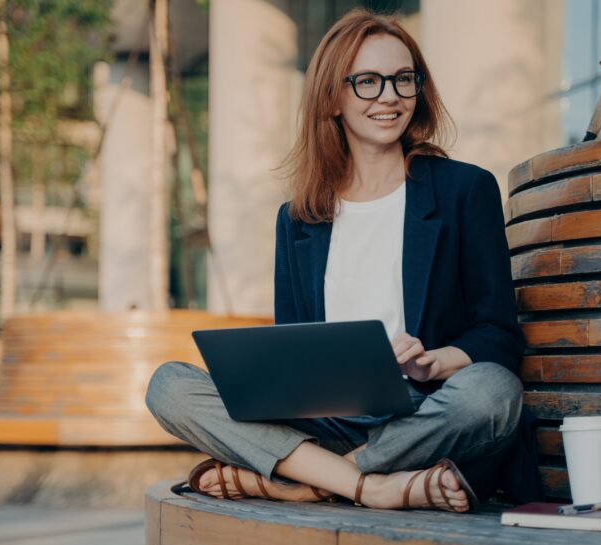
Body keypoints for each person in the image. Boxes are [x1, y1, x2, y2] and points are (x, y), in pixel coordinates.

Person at [145, 8, 525, 513]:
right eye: (367, 81)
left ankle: (305, 482)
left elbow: (498, 332)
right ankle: (375, 485)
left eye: (402, 79)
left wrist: (434, 362)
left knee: (493, 392)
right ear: (333, 97)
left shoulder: (464, 190)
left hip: (424, 412)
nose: (389, 96)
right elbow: (295, 352)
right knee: (168, 386)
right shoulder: (299, 219)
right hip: (324, 420)